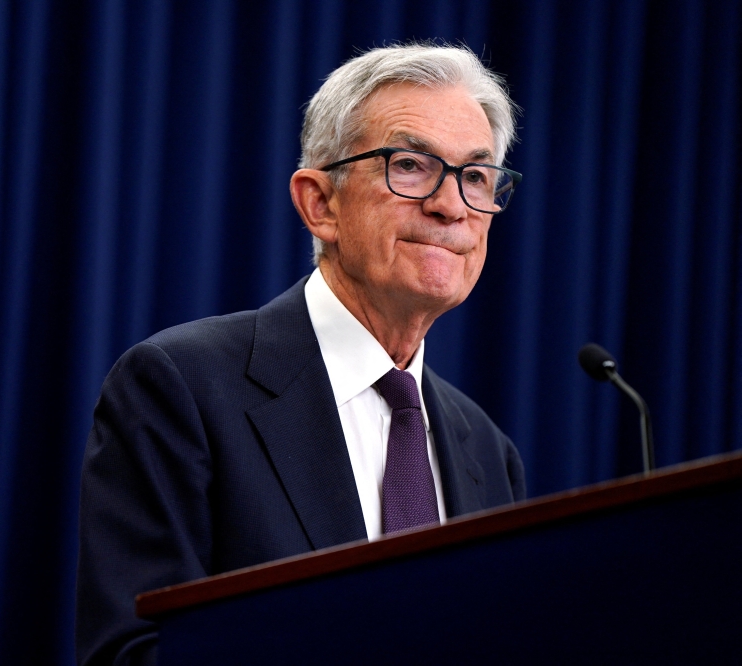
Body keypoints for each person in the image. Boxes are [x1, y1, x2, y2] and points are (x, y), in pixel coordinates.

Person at [76, 43, 526, 666]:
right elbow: (135, 654)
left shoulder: (487, 450)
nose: (451, 205)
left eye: (475, 177)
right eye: (412, 166)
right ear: (321, 203)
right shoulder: (181, 388)